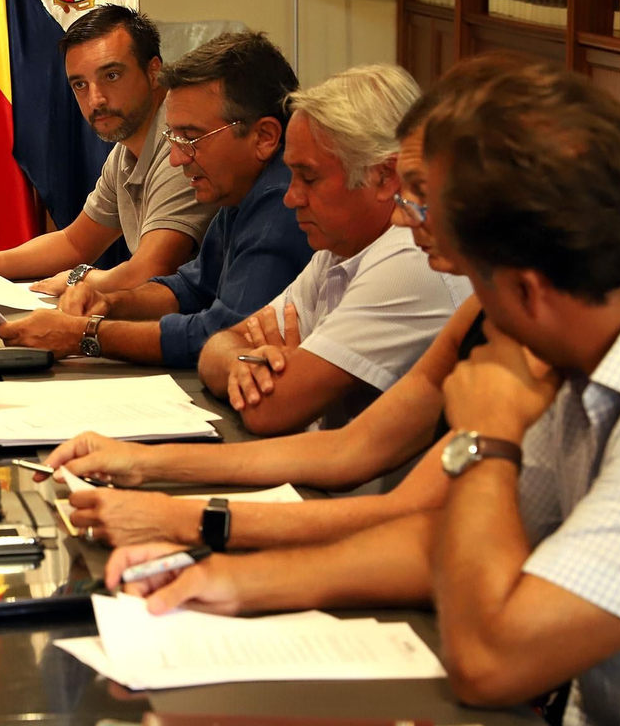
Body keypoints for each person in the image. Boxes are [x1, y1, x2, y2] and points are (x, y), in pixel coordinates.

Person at [113, 60, 620, 726]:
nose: (409, 225)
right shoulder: (575, 338)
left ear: (527, 289)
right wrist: (228, 580)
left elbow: (489, 659)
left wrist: (487, 438)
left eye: (427, 211)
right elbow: (434, 536)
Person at [35, 59, 513, 551]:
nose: (407, 214)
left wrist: (180, 517)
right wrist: (141, 464)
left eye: (422, 194)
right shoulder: (476, 307)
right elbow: (348, 446)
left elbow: (406, 514)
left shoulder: (416, 262)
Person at [0, 33, 314, 366]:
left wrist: (84, 335)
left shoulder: (285, 199)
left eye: (191, 138)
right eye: (173, 137)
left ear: (264, 137)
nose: (176, 158)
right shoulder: (240, 189)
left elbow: (226, 334)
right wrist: (110, 302)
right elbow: (190, 287)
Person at [196, 63, 470, 434]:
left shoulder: (413, 258)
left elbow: (271, 410)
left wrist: (276, 378)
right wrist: (247, 366)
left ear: (384, 175)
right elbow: (218, 348)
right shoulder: (340, 245)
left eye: (309, 178)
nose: (291, 198)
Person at [0, 6, 216, 293]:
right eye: (80, 84)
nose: (95, 100)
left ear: (154, 71)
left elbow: (150, 271)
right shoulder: (126, 150)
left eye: (111, 76)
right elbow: (75, 243)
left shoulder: (179, 144)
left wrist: (76, 280)